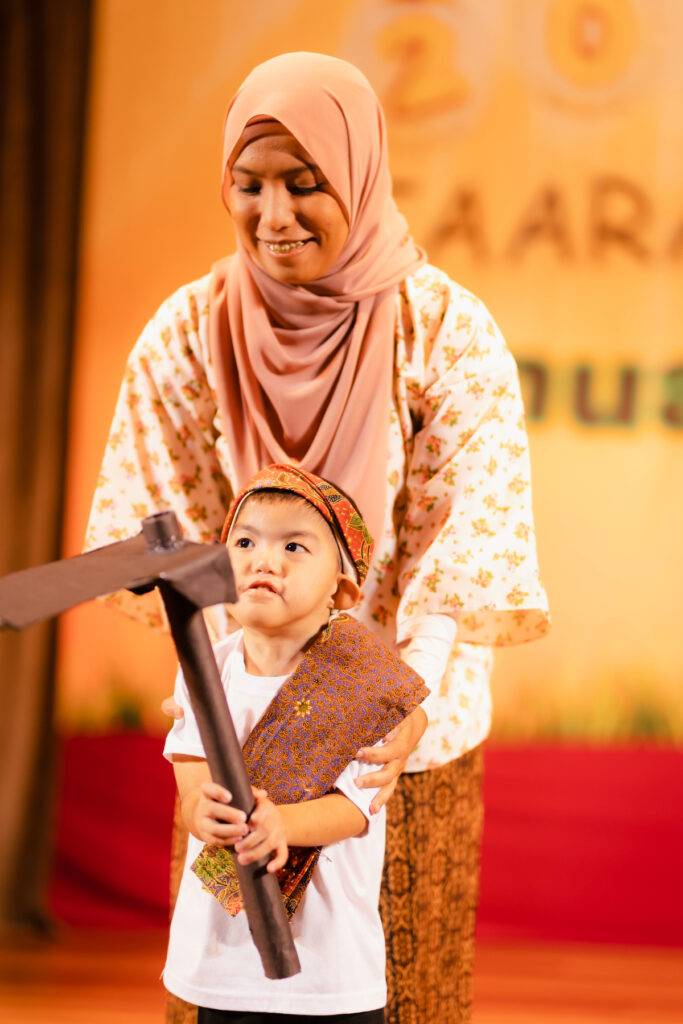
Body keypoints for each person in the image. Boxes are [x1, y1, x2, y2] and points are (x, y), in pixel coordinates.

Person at [85, 52, 550, 1024]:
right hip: (243, 728)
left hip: (396, 736)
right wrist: (225, 703)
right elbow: (161, 533)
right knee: (223, 989)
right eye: (248, 185)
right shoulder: (191, 330)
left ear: (359, 173)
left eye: (305, 183)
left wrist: (403, 700)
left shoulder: (441, 330)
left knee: (398, 992)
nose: (274, 215)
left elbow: (464, 535)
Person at [163, 464, 428, 1022]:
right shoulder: (204, 669)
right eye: (245, 542)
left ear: (342, 587)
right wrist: (198, 812)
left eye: (293, 546)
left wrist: (281, 824)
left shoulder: (365, 680)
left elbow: (356, 808)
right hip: (222, 961)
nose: (264, 560)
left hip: (328, 967)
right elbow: (190, 778)